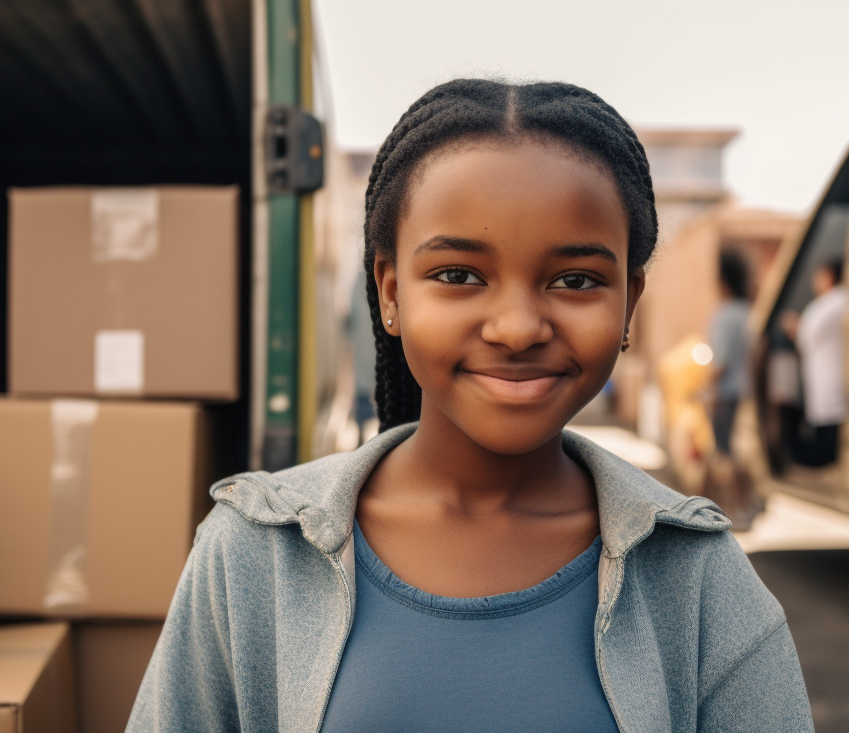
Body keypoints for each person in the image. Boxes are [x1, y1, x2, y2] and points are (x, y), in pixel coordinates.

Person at [128, 80, 813, 733]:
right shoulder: (253, 555)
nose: (517, 327)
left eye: (575, 280)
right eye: (458, 275)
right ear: (390, 292)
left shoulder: (700, 581)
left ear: (629, 302)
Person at [786, 259, 849, 467]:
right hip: (831, 371)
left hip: (830, 373)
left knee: (829, 425)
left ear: (829, 276)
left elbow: (806, 334)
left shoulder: (830, 303)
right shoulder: (839, 301)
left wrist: (795, 327)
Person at [707, 251, 751, 458]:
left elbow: (721, 363)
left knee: (723, 450)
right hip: (746, 389)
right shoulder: (748, 311)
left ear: (723, 283)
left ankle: (725, 490)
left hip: (726, 391)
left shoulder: (725, 315)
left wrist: (709, 390)